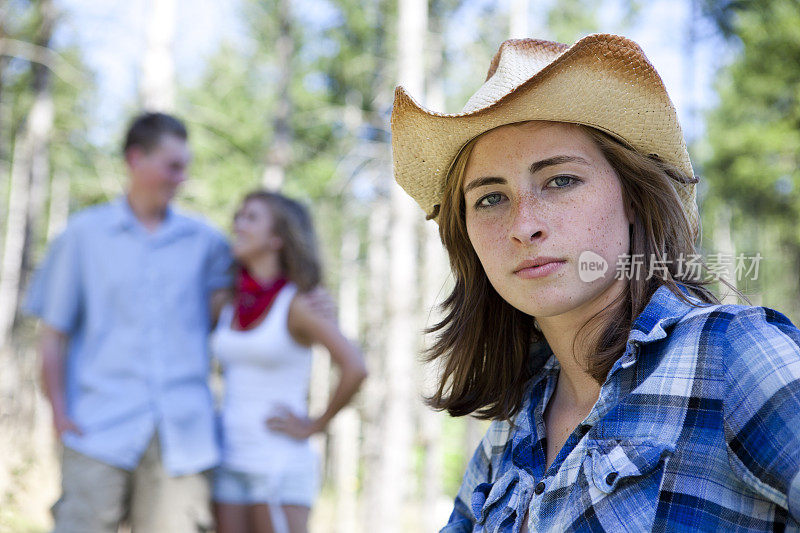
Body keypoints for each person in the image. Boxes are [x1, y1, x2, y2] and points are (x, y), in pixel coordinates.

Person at [390, 34, 800, 532]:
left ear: (633, 199)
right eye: (491, 198)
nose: (524, 225)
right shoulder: (510, 431)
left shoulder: (733, 356)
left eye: (560, 180)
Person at [24, 112, 234, 532]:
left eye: (185, 167)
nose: (182, 177)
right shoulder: (83, 236)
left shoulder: (207, 242)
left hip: (184, 437)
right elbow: (53, 336)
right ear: (136, 159)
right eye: (172, 166)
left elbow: (240, 310)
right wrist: (60, 416)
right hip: (98, 427)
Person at [211, 190, 367, 533]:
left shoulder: (297, 304)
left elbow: (355, 367)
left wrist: (315, 424)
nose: (238, 224)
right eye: (238, 216)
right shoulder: (228, 301)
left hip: (278, 464)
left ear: (277, 238)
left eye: (251, 217)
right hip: (229, 460)